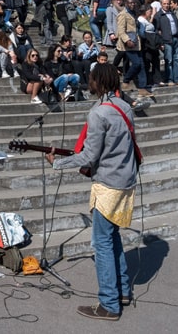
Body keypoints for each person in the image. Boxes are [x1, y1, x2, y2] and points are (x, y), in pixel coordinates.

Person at [46, 63, 139, 321]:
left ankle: (109, 304)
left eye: (92, 79)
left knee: (102, 243)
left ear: (100, 81)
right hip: (126, 180)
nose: (89, 82)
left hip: (108, 184)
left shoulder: (98, 113)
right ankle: (121, 292)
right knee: (113, 236)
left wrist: (58, 163)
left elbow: (89, 155)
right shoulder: (125, 107)